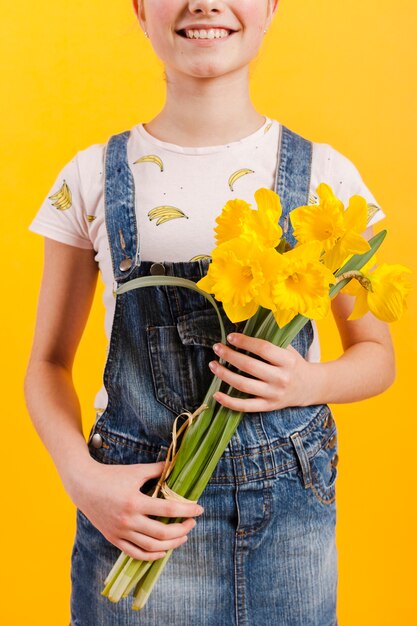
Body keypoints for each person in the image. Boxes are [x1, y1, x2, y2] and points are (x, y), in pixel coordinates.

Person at [24, 1, 395, 624]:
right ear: (141, 10)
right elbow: (47, 362)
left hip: (291, 516)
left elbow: (377, 357)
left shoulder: (327, 181)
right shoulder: (90, 176)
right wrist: (81, 479)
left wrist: (310, 382)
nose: (205, 2)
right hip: (141, 511)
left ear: (272, 7)